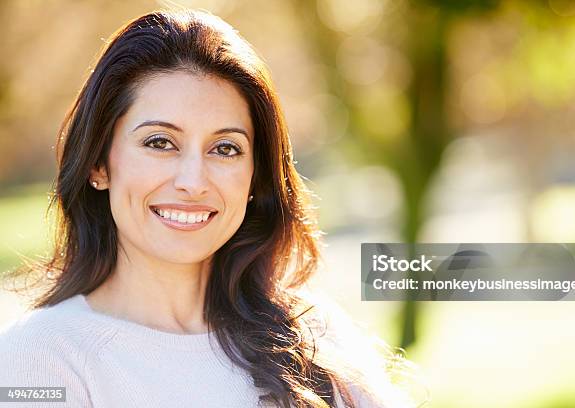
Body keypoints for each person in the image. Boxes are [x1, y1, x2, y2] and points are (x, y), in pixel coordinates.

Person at [0, 9, 415, 408]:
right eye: (160, 142)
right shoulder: (39, 359)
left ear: (256, 177)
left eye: (225, 148)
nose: (193, 182)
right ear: (99, 163)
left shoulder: (316, 336)